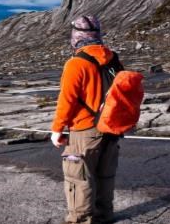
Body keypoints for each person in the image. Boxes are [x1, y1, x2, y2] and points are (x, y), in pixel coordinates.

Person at [51, 15, 124, 224]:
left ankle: (80, 220)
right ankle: (104, 216)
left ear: (75, 36)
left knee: (79, 179)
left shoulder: (76, 63)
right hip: (111, 128)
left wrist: (57, 129)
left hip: (85, 131)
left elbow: (67, 100)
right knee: (105, 176)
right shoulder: (114, 59)